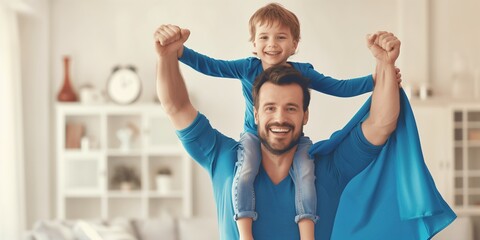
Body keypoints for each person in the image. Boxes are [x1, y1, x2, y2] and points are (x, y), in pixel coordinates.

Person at [158, 4, 401, 239]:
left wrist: (383, 69)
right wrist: (173, 54)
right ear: (255, 113)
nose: (280, 117)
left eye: (291, 107)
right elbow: (178, 104)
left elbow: (379, 122)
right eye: (270, 107)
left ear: (305, 114)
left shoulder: (326, 170)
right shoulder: (226, 160)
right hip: (249, 143)